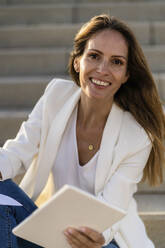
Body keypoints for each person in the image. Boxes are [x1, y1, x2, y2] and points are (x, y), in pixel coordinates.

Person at [0, 14, 164, 248]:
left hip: (98, 240)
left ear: (127, 75)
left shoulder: (137, 135)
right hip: (49, 230)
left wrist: (97, 235)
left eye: (116, 62)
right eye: (94, 56)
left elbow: (113, 208)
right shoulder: (56, 96)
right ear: (77, 61)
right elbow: (16, 152)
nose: (102, 69)